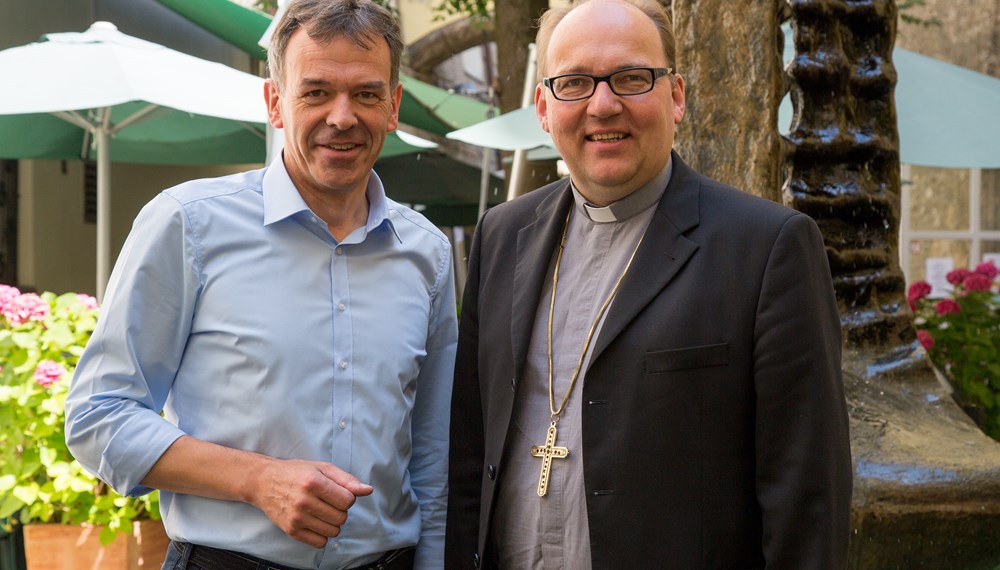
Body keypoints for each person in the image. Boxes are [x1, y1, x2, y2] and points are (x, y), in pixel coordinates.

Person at [445, 0, 852, 568]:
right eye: (575, 83)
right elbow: (468, 451)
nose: (603, 105)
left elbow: (806, 496)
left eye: (632, 78)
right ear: (543, 106)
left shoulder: (767, 248)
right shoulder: (502, 234)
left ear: (676, 95)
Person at [65, 1, 457, 568]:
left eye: (367, 94)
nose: (342, 117)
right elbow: (98, 415)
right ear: (275, 102)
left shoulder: (429, 254)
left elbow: (433, 455)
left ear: (393, 106)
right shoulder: (187, 224)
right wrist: (257, 480)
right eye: (316, 92)